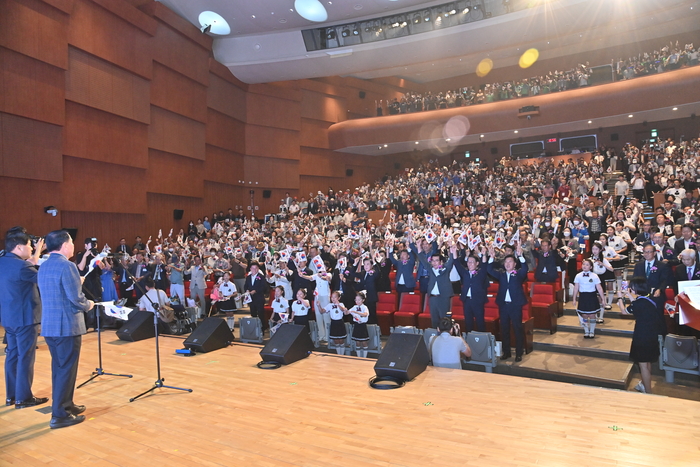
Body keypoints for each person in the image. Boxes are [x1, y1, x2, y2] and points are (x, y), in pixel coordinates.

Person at [38, 230, 94, 429]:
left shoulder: (43, 265)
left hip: (50, 325)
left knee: (59, 368)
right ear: (64, 245)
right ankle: (60, 415)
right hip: (66, 326)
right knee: (66, 370)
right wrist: (89, 305)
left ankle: (66, 404)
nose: (72, 246)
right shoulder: (67, 266)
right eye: (71, 242)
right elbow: (76, 299)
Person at [0, 227, 48, 409]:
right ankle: (23, 397)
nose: (31, 248)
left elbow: (30, 265)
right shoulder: (22, 266)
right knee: (26, 357)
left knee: (12, 355)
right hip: (25, 318)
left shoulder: (2, 262)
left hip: (8, 318)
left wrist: (35, 255)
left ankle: (11, 396)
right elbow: (41, 279)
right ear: (19, 247)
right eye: (29, 245)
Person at [617, 277, 663, 394]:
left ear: (635, 288)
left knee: (643, 365)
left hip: (642, 335)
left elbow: (624, 311)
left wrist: (620, 298)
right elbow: (639, 304)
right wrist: (630, 296)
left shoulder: (639, 303)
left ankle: (648, 392)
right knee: (647, 362)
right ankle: (643, 384)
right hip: (651, 334)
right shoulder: (650, 299)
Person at [487, 242, 528, 362]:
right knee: (504, 329)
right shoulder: (501, 274)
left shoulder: (518, 274)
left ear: (515, 264)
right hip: (503, 305)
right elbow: (489, 269)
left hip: (515, 305)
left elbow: (525, 268)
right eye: (506, 262)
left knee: (517, 328)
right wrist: (491, 257)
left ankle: (519, 353)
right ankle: (506, 352)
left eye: (510, 262)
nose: (507, 264)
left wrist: (520, 255)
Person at [632, 243, 669, 336]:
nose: (647, 254)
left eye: (649, 252)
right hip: (642, 296)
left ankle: (660, 337)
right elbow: (635, 279)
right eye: (645, 252)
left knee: (657, 318)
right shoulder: (639, 265)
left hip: (656, 296)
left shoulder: (661, 265)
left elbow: (665, 280)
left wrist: (660, 289)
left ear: (654, 253)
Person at [416, 243, 456, 328]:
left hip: (443, 298)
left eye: (436, 260)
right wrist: (418, 246)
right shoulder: (430, 269)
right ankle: (436, 336)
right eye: (432, 260)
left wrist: (452, 250)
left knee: (444, 319)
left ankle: (446, 336)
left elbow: (451, 261)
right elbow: (422, 259)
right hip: (433, 298)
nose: (434, 263)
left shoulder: (446, 269)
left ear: (441, 262)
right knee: (434, 319)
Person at [452, 247, 489, 332]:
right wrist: (454, 252)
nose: (470, 264)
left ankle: (481, 341)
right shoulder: (465, 272)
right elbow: (457, 264)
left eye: (472, 262)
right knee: (468, 322)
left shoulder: (480, 273)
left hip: (478, 301)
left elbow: (484, 265)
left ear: (477, 263)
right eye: (468, 262)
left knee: (480, 322)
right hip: (467, 301)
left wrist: (483, 254)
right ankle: (469, 340)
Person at [572, 259, 607, 338]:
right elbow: (576, 288)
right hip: (583, 296)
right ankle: (586, 331)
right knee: (584, 315)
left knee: (592, 315)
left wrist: (603, 299)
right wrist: (574, 299)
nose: (585, 266)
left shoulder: (594, 276)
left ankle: (592, 331)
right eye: (584, 264)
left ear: (591, 267)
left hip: (592, 296)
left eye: (587, 265)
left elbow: (599, 288)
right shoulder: (578, 275)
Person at [244, 262, 267, 332]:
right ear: (250, 269)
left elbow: (264, 287)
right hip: (251, 298)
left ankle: (262, 328)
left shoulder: (261, 277)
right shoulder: (248, 277)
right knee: (253, 313)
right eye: (253, 268)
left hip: (259, 298)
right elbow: (245, 286)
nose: (254, 269)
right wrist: (247, 290)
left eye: (256, 268)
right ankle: (254, 328)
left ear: (258, 269)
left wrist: (256, 291)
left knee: (260, 313)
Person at [326, 291, 349, 355]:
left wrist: (338, 304)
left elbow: (343, 310)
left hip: (340, 322)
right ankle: (338, 354)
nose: (333, 299)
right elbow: (322, 311)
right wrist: (319, 306)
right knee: (335, 340)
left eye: (335, 297)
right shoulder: (329, 305)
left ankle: (342, 354)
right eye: (332, 297)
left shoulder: (341, 304)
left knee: (341, 340)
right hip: (333, 322)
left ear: (339, 298)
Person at [349, 291, 370, 357]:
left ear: (363, 300)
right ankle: (358, 356)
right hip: (357, 325)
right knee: (357, 342)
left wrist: (356, 312)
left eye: (359, 300)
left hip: (362, 326)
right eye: (356, 300)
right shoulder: (354, 307)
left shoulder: (365, 307)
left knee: (364, 342)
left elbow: (365, 314)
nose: (357, 301)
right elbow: (347, 312)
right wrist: (343, 308)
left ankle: (364, 357)